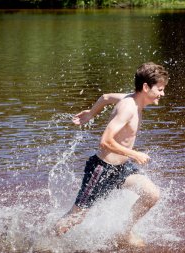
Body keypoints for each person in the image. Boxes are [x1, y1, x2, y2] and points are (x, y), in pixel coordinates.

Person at [54, 62, 169, 247]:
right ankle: (46, 240)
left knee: (152, 194)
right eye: (160, 89)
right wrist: (134, 153)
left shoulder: (132, 99)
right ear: (146, 87)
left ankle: (124, 233)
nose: (162, 94)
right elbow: (105, 141)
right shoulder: (128, 107)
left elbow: (106, 97)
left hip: (121, 168)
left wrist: (90, 114)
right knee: (75, 218)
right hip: (100, 169)